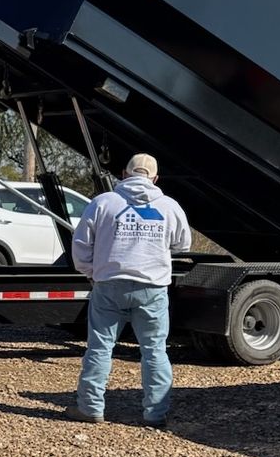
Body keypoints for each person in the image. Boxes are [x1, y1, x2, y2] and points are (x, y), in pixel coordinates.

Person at [70, 153, 192, 428]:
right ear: (156, 179)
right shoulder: (169, 207)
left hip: (109, 286)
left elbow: (80, 246)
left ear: (124, 174)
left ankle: (90, 408)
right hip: (152, 289)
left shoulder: (102, 203)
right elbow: (182, 245)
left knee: (100, 348)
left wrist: (92, 273)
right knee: (154, 351)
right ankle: (155, 414)